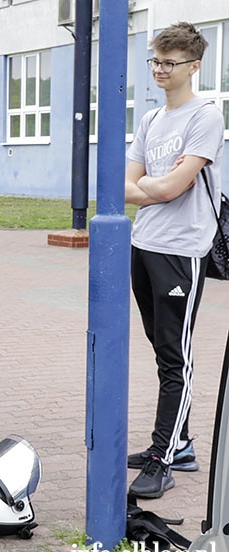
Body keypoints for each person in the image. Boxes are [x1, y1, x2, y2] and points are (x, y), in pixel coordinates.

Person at [124, 22, 224, 499]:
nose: (160, 70)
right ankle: (179, 444)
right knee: (163, 348)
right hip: (144, 245)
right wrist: (152, 190)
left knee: (175, 359)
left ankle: (164, 457)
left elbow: (167, 186)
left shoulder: (205, 116)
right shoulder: (150, 120)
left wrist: (150, 189)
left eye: (170, 63)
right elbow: (125, 186)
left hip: (182, 250)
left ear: (194, 66)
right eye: (156, 62)